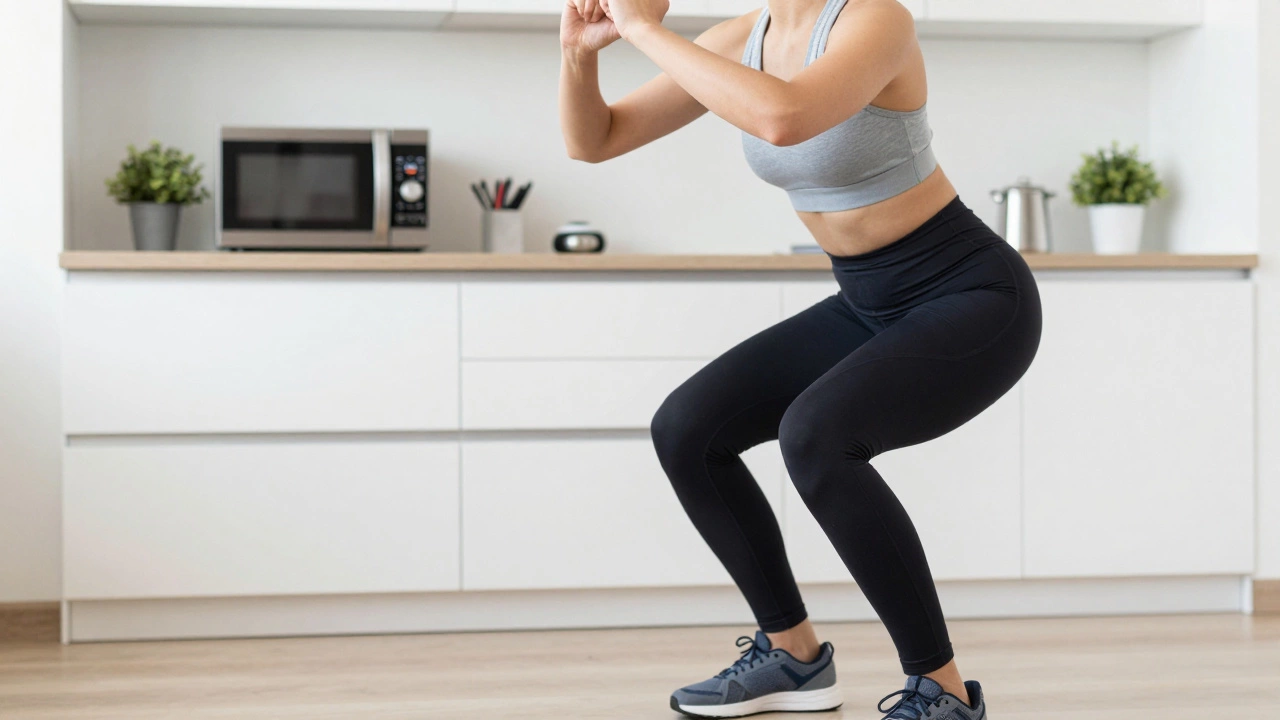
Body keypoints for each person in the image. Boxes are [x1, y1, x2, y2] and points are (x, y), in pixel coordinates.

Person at [559, 0, 1041, 717]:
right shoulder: (740, 38)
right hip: (866, 301)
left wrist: (643, 30)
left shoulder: (876, 19)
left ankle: (941, 691)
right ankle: (794, 656)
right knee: (689, 429)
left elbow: (783, 118)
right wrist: (581, 52)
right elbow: (594, 140)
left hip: (970, 294)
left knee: (816, 435)